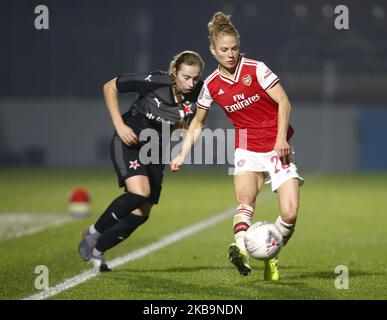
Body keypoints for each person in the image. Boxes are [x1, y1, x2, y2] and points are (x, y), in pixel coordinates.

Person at [170, 13, 304, 281]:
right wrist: (181, 153)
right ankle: (241, 248)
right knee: (245, 201)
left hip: (276, 146)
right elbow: (197, 122)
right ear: (212, 50)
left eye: (234, 49)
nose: (230, 54)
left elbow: (284, 103)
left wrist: (280, 138)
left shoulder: (256, 69)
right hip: (246, 147)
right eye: (224, 50)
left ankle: (270, 252)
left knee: (289, 213)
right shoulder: (211, 85)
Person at [78, 51, 205, 271]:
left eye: (195, 78)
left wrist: (182, 153)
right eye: (186, 77)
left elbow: (196, 125)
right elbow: (110, 87)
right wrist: (120, 126)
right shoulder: (154, 81)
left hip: (155, 151)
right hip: (128, 142)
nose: (191, 83)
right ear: (174, 73)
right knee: (139, 192)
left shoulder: (201, 93)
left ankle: (98, 250)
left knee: (141, 214)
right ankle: (92, 234)